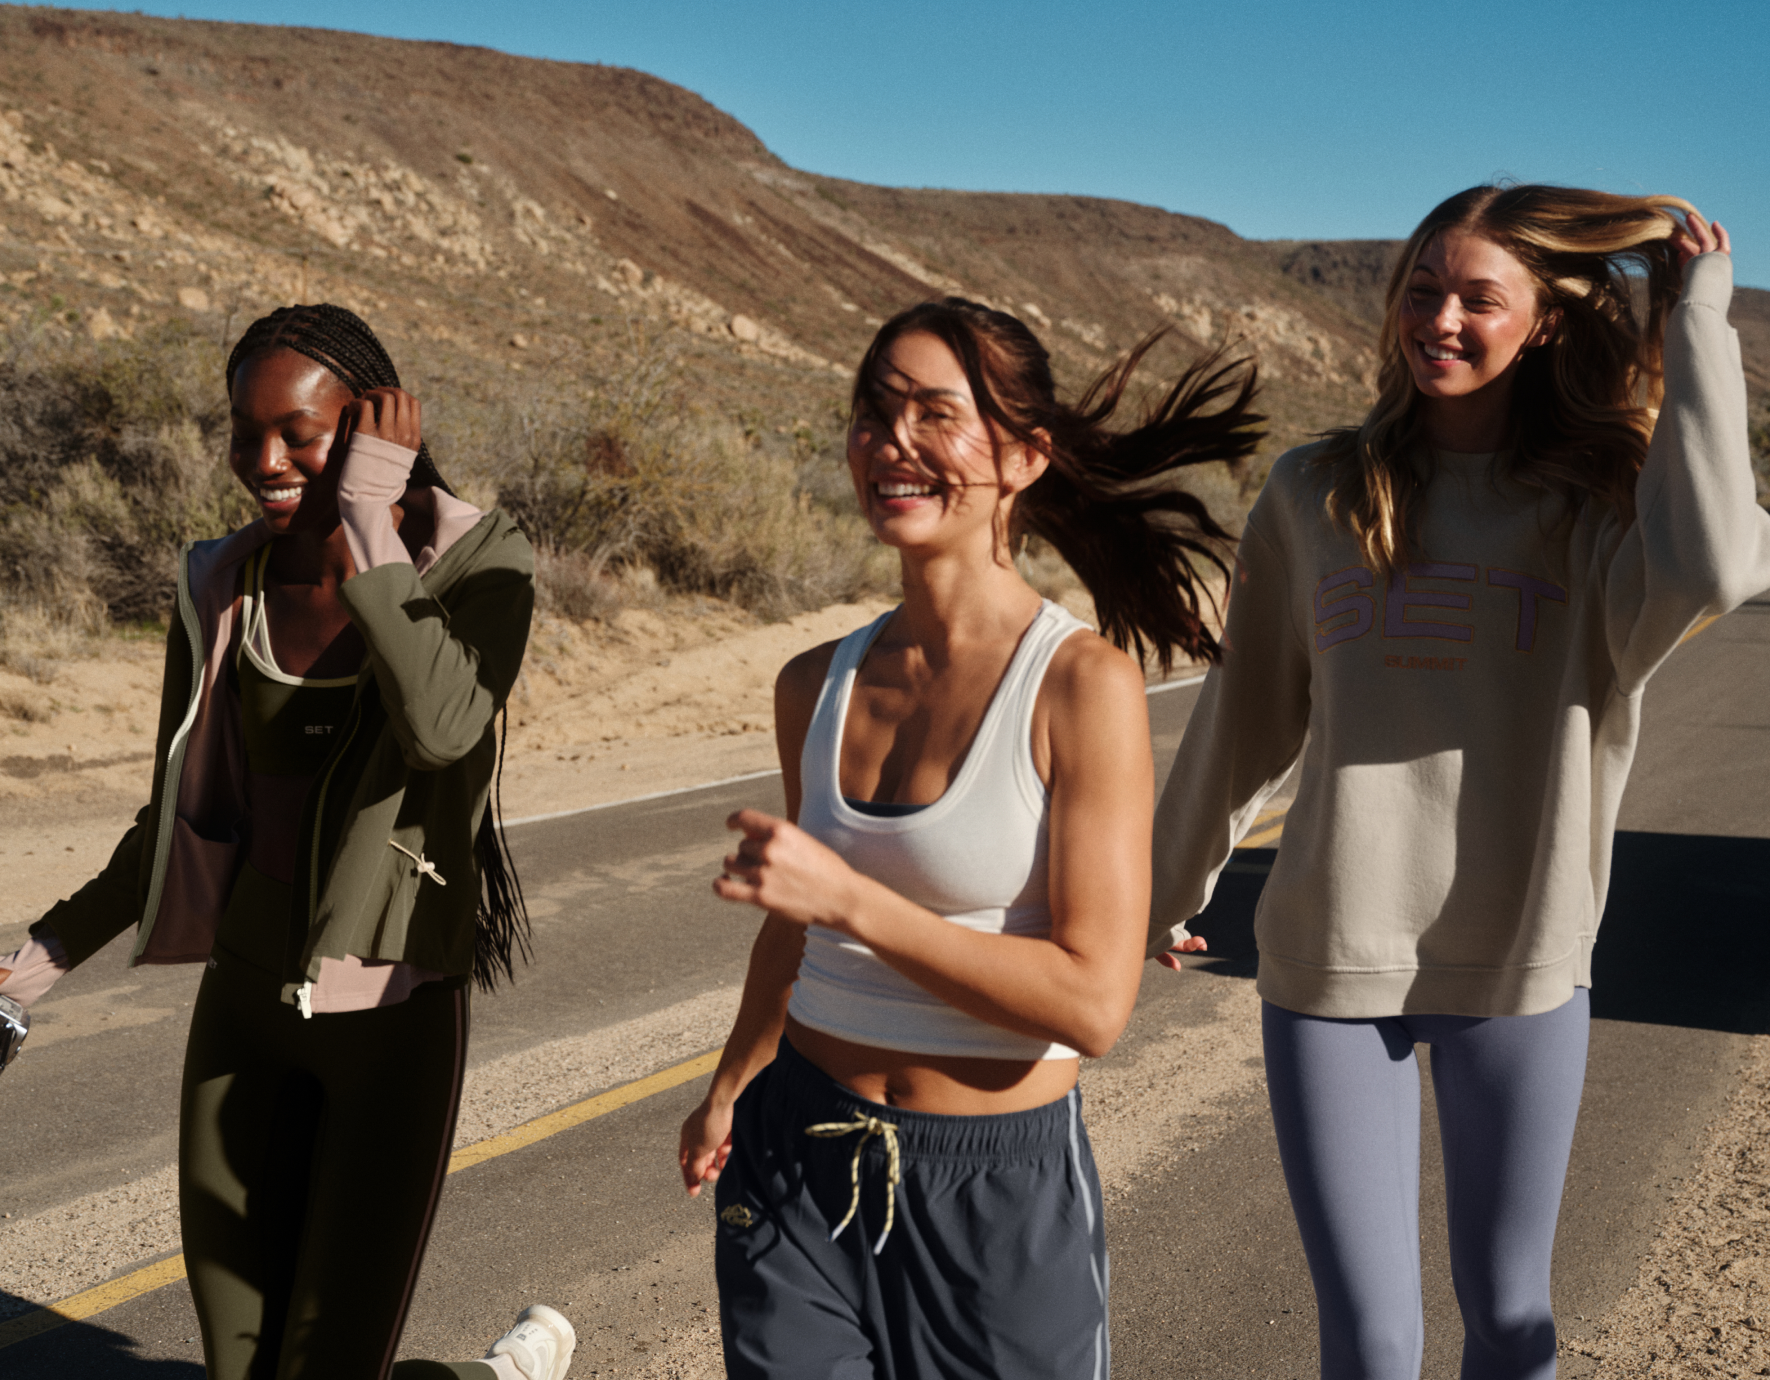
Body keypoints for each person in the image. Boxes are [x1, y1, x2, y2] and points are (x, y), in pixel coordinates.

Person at [1149, 187, 1770, 1379]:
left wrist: (1696, 325)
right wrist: (1168, 885)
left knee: (1507, 1319)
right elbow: (1246, 720)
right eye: (1422, 290)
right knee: (1373, 1343)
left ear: (1541, 322)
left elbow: (1713, 562)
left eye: (1479, 297)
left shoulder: (1598, 508)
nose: (1440, 318)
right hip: (1330, 961)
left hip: (1521, 967)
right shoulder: (1314, 492)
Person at [678, 297, 1259, 1379]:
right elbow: (792, 933)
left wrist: (855, 901)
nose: (892, 440)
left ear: (1023, 458)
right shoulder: (815, 684)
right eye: (873, 409)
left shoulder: (1081, 684)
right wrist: (729, 1084)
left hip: (996, 1195)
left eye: (934, 413)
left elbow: (1092, 1004)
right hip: (800, 1153)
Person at [0, 305, 575, 1380]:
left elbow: (446, 725)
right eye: (241, 431)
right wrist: (30, 969)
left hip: (392, 1021)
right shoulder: (219, 586)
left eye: (298, 436)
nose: (262, 462)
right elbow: (175, 814)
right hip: (244, 1014)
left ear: (370, 433)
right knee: (240, 1366)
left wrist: (367, 527)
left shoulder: (477, 564)